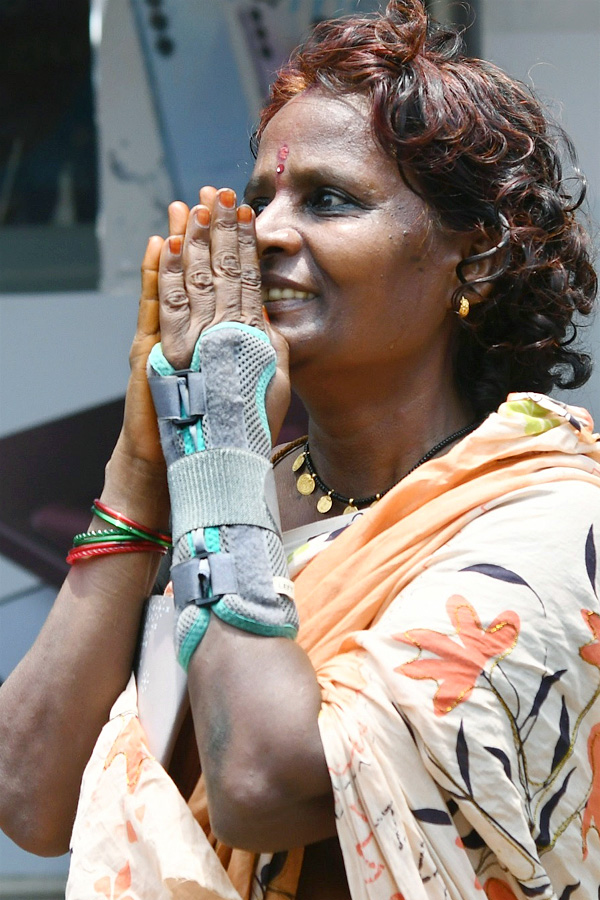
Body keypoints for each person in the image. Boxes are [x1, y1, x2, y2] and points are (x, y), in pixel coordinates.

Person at [1, 1, 599, 898]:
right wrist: (139, 465)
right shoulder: (233, 486)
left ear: (473, 258)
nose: (268, 231)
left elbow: (263, 787)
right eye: (259, 199)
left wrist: (216, 451)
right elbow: (28, 799)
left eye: (328, 199)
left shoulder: (555, 517)